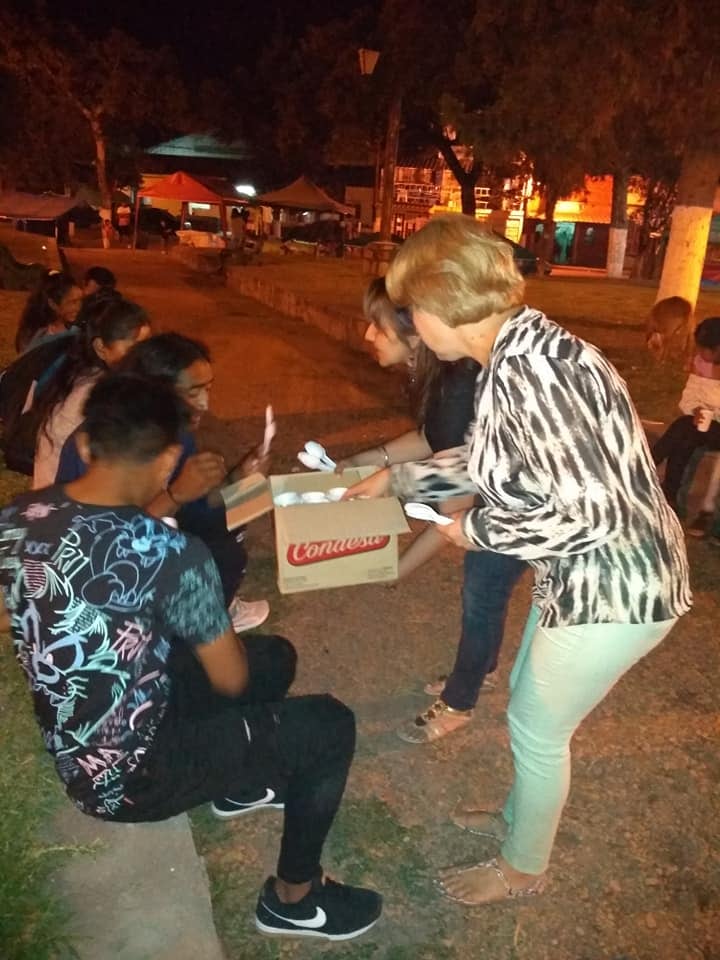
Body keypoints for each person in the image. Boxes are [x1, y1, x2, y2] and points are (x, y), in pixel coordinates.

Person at [347, 216, 691, 905]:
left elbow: (581, 511)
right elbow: (495, 461)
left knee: (538, 727)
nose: (410, 321)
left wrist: (477, 530)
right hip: (582, 576)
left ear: (444, 303)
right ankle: (516, 821)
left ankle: (524, 866)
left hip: (616, 590)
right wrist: (401, 480)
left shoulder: (535, 372)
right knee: (530, 714)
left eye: (412, 306)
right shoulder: (516, 354)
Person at [0, 372, 382, 942]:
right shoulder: (173, 553)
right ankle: (294, 899)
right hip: (133, 778)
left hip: (75, 741)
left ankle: (236, 786)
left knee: (275, 656)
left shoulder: (17, 517)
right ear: (170, 461)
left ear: (84, 446)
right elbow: (229, 681)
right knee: (328, 724)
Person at [340, 278, 525, 743]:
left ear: (417, 334)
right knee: (487, 592)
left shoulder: (461, 382)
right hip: (500, 494)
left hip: (516, 509)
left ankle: (460, 702)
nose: (367, 336)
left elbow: (454, 509)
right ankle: (481, 668)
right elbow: (433, 439)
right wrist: (368, 461)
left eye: (377, 328)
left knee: (482, 593)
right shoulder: (444, 376)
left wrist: (397, 567)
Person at [55, 333, 270, 633]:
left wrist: (238, 477)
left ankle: (207, 603)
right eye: (194, 392)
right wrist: (175, 494)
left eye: (208, 389)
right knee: (219, 553)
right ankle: (182, 627)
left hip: (150, 529)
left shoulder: (176, 432)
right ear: (155, 389)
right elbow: (106, 541)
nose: (205, 403)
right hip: (101, 565)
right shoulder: (105, 442)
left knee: (230, 516)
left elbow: (197, 506)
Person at [32, 295, 151, 489]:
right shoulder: (93, 393)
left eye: (147, 345)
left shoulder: (83, 374)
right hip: (64, 503)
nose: (143, 356)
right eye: (134, 347)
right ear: (101, 347)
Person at [652, 316, 720, 524]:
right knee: (683, 434)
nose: (699, 354)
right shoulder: (701, 364)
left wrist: (710, 407)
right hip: (704, 425)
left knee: (683, 430)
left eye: (704, 350)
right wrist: (696, 408)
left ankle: (648, 466)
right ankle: (669, 495)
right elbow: (688, 398)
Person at [15, 271, 83, 354]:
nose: (79, 307)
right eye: (73, 302)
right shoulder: (34, 337)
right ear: (53, 304)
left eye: (81, 300)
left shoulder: (77, 326)